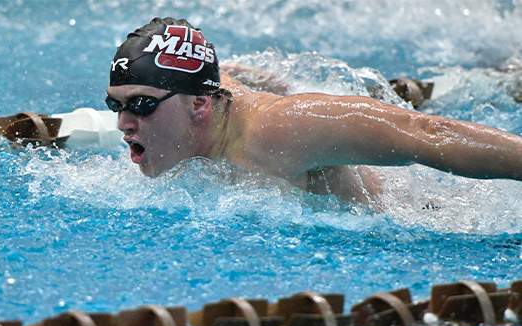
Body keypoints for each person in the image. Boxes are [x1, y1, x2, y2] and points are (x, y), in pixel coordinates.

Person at [106, 17, 522, 205]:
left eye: (140, 106)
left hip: (421, 216)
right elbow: (218, 77)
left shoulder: (282, 130)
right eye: (116, 104)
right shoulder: (197, 96)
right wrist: (240, 73)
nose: (124, 123)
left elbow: (425, 133)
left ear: (200, 105)